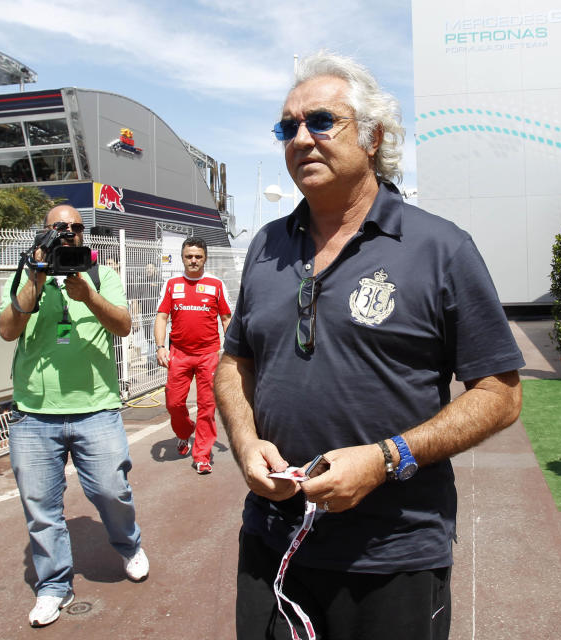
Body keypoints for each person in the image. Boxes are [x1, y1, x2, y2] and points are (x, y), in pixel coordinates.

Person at [214, 51, 524, 640]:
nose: (301, 138)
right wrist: (245, 441)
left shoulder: (440, 249)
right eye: (288, 127)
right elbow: (235, 363)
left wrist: (386, 460)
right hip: (272, 542)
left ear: (374, 137)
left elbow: (500, 394)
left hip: (393, 554)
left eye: (322, 121)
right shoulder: (265, 247)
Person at [0, 205, 149, 628]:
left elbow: (123, 325)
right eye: (58, 227)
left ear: (84, 234)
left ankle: (128, 544)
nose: (67, 233)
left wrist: (90, 296)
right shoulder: (27, 276)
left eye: (75, 228)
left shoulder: (102, 275)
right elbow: (8, 329)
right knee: (41, 508)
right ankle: (53, 586)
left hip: (96, 408)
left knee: (111, 490)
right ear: (44, 232)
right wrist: (38, 277)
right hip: (35, 414)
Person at [154, 238, 231, 474]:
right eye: (189, 256)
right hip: (179, 354)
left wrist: (230, 351)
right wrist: (160, 346)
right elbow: (161, 317)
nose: (193, 260)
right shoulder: (172, 284)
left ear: (205, 257)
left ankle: (202, 455)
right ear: (182, 257)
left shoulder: (216, 284)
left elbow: (226, 318)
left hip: (209, 354)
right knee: (174, 403)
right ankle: (184, 432)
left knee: (207, 407)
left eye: (198, 256)